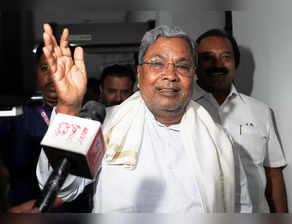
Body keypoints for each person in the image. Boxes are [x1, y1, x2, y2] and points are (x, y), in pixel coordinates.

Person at [36, 24, 251, 213]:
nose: (170, 75)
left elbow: (241, 208)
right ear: (139, 74)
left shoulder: (220, 141)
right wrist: (68, 108)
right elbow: (64, 189)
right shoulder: (105, 128)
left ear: (193, 76)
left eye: (182, 66)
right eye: (157, 64)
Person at [193, 29, 288, 212]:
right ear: (195, 64)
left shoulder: (261, 111)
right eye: (208, 58)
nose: (217, 65)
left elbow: (273, 174)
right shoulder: (181, 111)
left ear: (236, 63)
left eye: (226, 57)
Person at [0, 43, 92, 213]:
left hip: (74, 209)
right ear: (35, 72)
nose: (52, 76)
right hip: (25, 208)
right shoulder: (16, 113)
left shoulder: (89, 115)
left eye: (61, 69)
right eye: (45, 68)